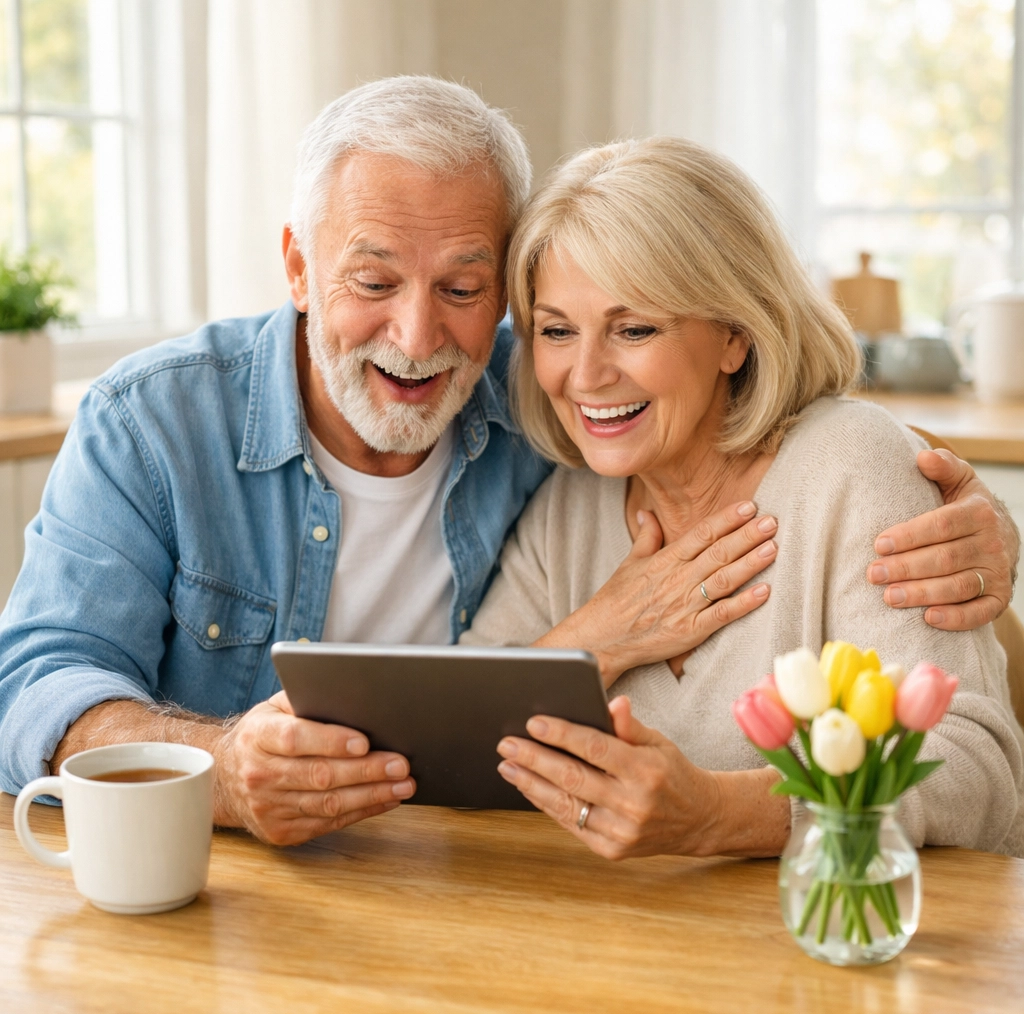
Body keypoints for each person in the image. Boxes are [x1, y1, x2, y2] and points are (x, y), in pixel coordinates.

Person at [0, 79, 1017, 848]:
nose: (415, 331)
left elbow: (970, 748)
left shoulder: (544, 424)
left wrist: (990, 555)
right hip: (258, 900)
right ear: (300, 267)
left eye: (461, 286)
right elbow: (30, 685)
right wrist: (219, 768)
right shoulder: (156, 422)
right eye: (372, 277)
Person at [463, 136, 1024, 858]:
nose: (586, 374)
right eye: (556, 331)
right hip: (638, 945)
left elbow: (975, 769)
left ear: (734, 334)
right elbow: (461, 739)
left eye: (634, 329)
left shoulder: (855, 467)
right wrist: (596, 640)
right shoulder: (567, 510)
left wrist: (721, 814)